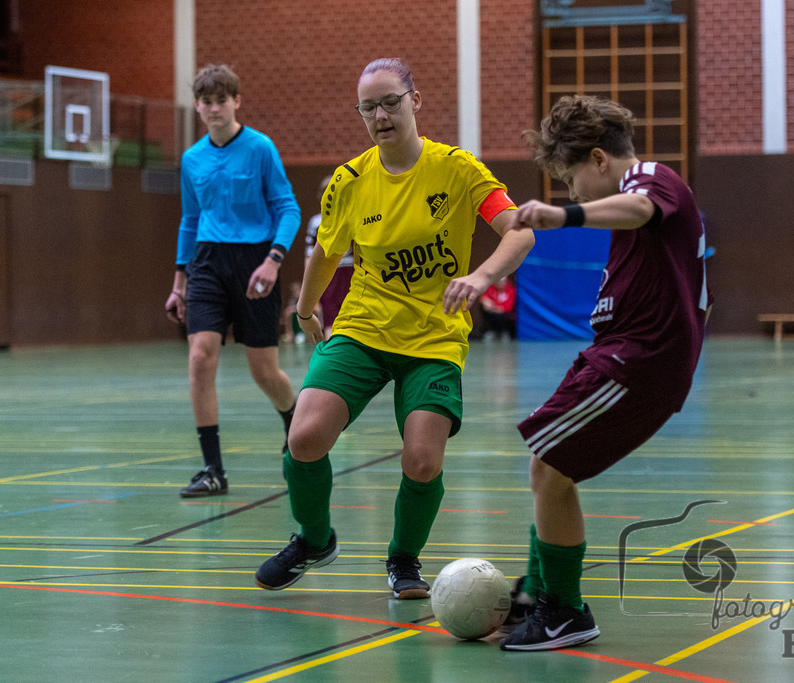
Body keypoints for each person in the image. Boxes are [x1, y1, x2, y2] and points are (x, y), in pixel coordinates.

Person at [253, 58, 535, 599]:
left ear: (415, 100)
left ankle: (404, 559)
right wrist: (307, 310)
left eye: (390, 102)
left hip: (434, 337)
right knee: (305, 437)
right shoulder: (350, 180)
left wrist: (481, 276)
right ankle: (314, 540)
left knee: (422, 459)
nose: (380, 115)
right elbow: (325, 251)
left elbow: (517, 232)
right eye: (368, 107)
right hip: (364, 327)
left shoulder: (457, 169)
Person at [498, 95, 711, 651]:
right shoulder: (632, 210)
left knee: (549, 466)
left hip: (642, 357)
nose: (571, 193)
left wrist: (563, 216)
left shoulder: (650, 178)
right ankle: (539, 592)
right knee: (550, 465)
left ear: (598, 159)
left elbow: (639, 208)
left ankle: (564, 609)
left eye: (570, 180)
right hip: (620, 352)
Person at [164, 64, 301, 498]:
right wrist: (179, 280)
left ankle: (295, 427)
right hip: (206, 262)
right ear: (198, 107)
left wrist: (273, 260)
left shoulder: (260, 148)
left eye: (222, 100)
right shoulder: (192, 158)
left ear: (236, 101)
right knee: (200, 357)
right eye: (206, 101)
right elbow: (190, 218)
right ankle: (212, 470)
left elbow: (288, 209)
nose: (214, 108)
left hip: (255, 261)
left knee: (265, 372)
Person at [304, 174, 353, 336]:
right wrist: (311, 293)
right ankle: (334, 357)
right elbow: (309, 259)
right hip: (328, 280)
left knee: (353, 324)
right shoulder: (317, 223)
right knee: (331, 325)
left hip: (352, 278)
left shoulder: (353, 219)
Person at [472, 274, 516, 340]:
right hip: (493, 313)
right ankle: (491, 330)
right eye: (498, 281)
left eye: (501, 281)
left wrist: (494, 307)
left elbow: (507, 308)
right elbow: (484, 299)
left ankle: (502, 331)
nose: (499, 283)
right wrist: (485, 301)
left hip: (505, 315)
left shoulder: (511, 290)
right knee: (484, 309)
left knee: (501, 316)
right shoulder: (491, 288)